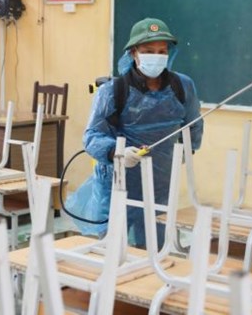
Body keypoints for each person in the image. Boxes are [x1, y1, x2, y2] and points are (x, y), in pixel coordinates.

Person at [67, 17, 203, 248]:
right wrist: (116, 154)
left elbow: (194, 127)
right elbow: (92, 136)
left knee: (154, 248)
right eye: (148, 50)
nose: (157, 56)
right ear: (133, 53)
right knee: (113, 251)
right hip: (117, 183)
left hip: (159, 184)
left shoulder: (183, 86)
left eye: (162, 51)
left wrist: (181, 154)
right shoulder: (113, 91)